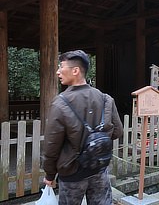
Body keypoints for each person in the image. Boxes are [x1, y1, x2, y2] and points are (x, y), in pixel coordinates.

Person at [42, 50, 123, 204]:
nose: (58, 71)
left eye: (61, 67)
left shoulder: (60, 103)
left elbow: (52, 145)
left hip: (72, 172)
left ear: (75, 70)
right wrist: (95, 141)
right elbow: (118, 131)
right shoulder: (105, 99)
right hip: (99, 168)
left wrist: (50, 175)